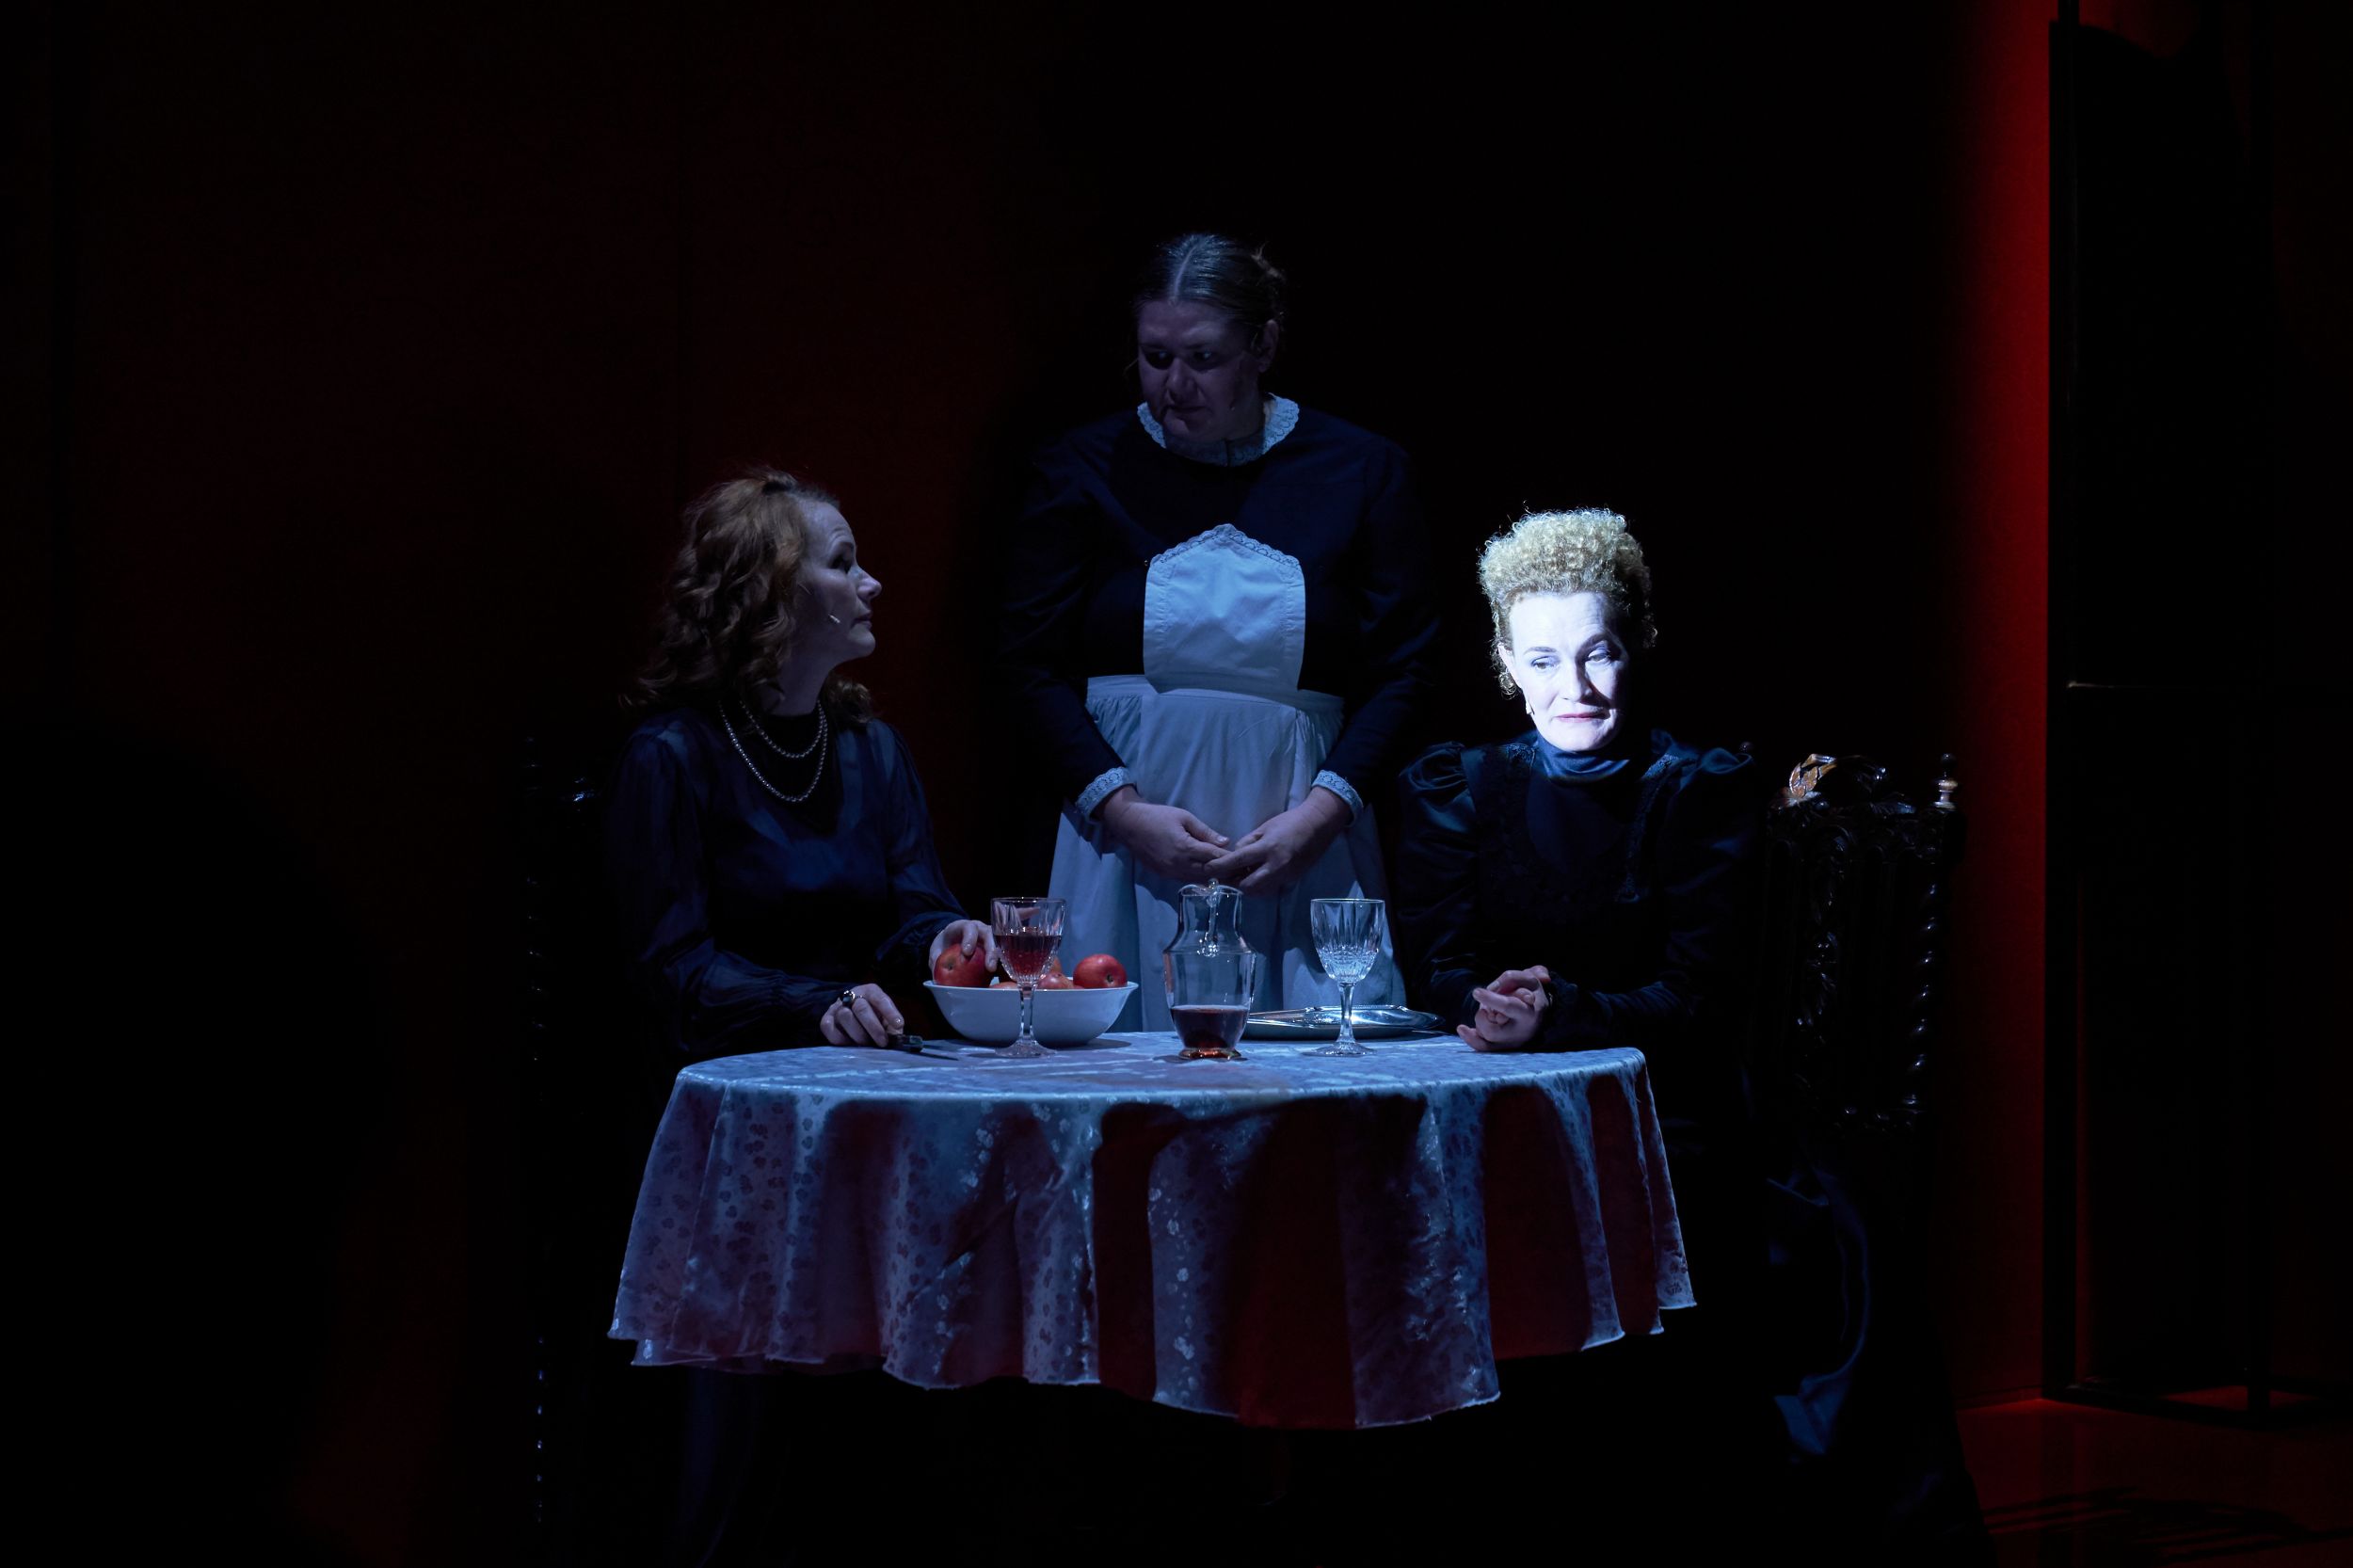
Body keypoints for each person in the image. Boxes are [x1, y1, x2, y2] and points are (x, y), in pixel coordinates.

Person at [1000, 233, 1439, 1026]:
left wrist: (1318, 819)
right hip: (1125, 838)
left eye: (1203, 358)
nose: (1175, 385)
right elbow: (1028, 665)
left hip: (1299, 827)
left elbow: (1405, 669)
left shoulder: (1359, 469)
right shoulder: (1081, 467)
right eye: (1155, 357)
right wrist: (1123, 811)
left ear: (1262, 347)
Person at [607, 468, 992, 1060]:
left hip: (850, 1060)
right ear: (773, 591)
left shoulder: (873, 749)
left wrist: (944, 938)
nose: (872, 584)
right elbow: (673, 968)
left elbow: (914, 912)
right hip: (726, 1068)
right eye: (842, 564)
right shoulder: (672, 756)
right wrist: (815, 1004)